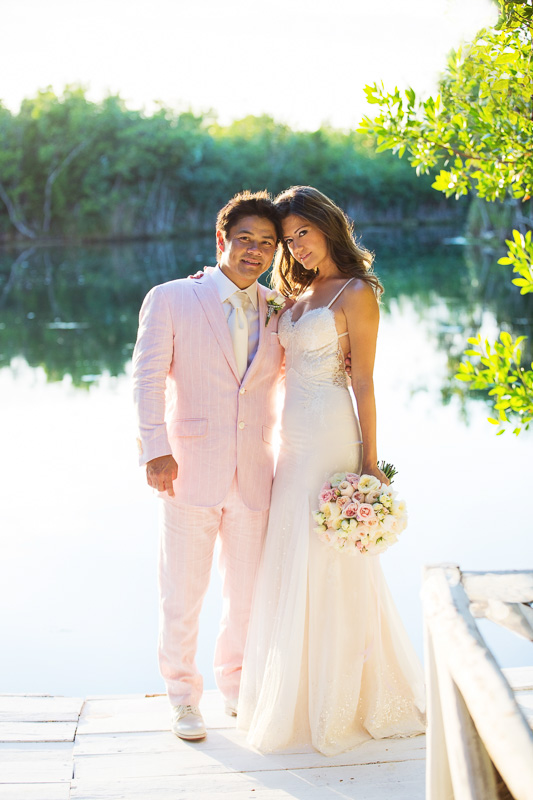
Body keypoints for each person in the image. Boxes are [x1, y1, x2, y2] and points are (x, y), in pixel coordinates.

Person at [237, 186, 425, 755]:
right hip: (291, 441)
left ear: (328, 227)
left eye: (303, 234)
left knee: (331, 560)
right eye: (288, 239)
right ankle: (292, 691)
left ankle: (344, 697)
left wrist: (369, 460)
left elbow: (364, 380)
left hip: (331, 435)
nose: (296, 247)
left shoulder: (357, 292)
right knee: (290, 551)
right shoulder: (294, 292)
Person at [132, 190, 285, 741]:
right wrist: (155, 450)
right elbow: (147, 379)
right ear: (222, 240)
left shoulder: (278, 308)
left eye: (266, 243)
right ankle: (181, 696)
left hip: (256, 474)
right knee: (183, 591)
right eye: (245, 239)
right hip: (187, 468)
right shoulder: (171, 298)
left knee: (245, 593)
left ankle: (237, 686)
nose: (255, 251)